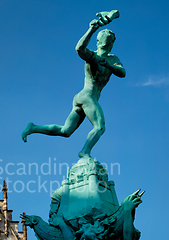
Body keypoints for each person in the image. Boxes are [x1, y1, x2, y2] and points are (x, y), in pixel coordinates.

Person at [22, 13, 125, 158]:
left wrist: (109, 65)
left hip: (81, 97)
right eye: (109, 41)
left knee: (65, 131)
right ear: (106, 42)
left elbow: (122, 72)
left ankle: (34, 127)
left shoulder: (112, 59)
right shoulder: (93, 56)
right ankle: (85, 152)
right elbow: (79, 49)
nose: (109, 43)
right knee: (99, 127)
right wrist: (91, 30)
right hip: (88, 96)